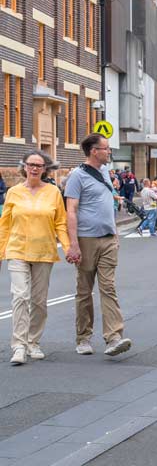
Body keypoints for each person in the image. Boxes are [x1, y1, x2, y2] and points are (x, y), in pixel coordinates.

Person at [65, 134, 132, 357]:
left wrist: (114, 232)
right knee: (84, 291)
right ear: (94, 151)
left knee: (108, 288)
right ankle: (83, 338)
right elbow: (71, 211)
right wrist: (73, 244)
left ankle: (113, 337)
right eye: (106, 148)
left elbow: (106, 203)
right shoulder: (77, 176)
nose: (109, 152)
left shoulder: (105, 172)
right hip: (86, 240)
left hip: (108, 238)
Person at [0, 151, 70, 365]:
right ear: (24, 167)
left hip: (44, 251)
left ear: (45, 169)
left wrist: (68, 247)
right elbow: (5, 224)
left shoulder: (53, 192)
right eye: (31, 164)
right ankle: (19, 345)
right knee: (20, 296)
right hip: (17, 250)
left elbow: (60, 222)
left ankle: (33, 341)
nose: (34, 168)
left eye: (39, 165)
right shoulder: (13, 192)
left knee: (39, 301)